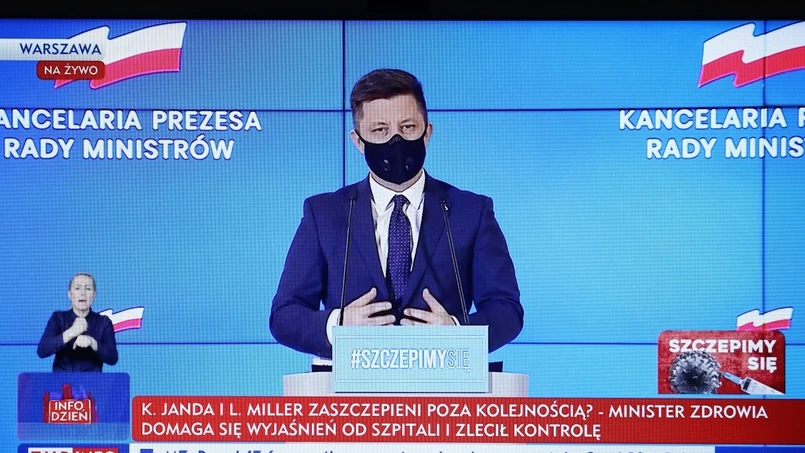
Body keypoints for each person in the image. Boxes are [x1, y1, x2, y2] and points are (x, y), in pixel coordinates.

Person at [270, 69, 523, 360]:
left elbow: (506, 310)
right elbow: (284, 316)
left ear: (427, 132)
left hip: (444, 382)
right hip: (351, 385)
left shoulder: (471, 212)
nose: (395, 140)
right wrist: (337, 325)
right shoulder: (324, 214)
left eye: (407, 127)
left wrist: (457, 333)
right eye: (380, 130)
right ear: (358, 141)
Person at [37, 273, 118, 372]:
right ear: (70, 294)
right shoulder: (58, 318)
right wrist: (71, 332)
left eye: (88, 289)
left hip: (91, 381)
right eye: (77, 288)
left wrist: (92, 343)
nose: (82, 293)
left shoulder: (104, 322)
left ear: (94, 295)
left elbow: (113, 358)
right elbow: (42, 351)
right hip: (62, 381)